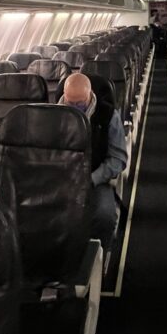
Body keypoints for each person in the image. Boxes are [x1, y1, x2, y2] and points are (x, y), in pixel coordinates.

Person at [59, 72, 128, 246]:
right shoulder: (52, 114)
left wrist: (92, 179)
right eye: (70, 103)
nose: (75, 108)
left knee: (104, 216)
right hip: (59, 178)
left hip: (94, 179)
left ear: (90, 96)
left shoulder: (108, 116)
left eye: (80, 103)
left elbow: (118, 158)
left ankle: (99, 254)